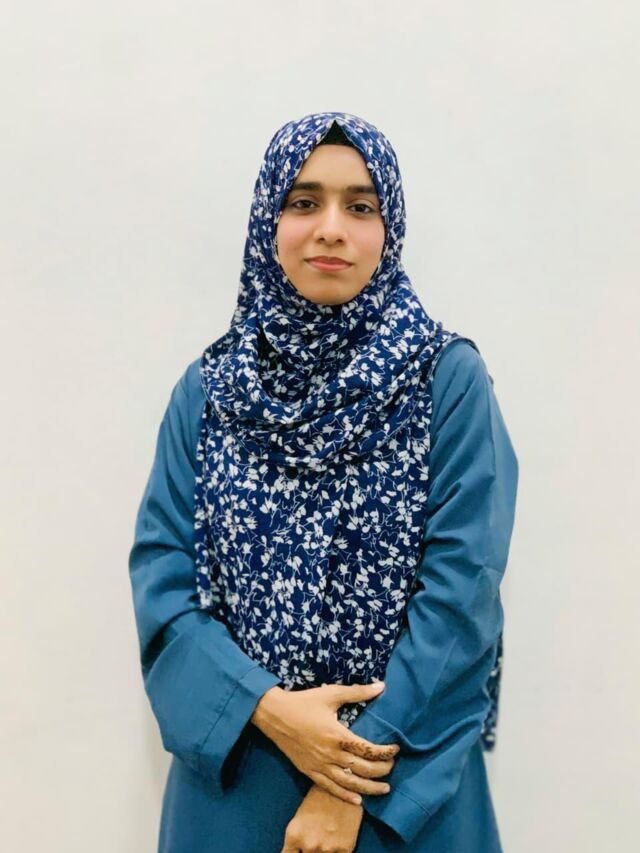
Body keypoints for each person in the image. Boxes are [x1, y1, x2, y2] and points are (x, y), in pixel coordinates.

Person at [128, 111, 519, 852]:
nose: (331, 229)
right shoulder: (210, 392)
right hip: (239, 767)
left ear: (389, 229)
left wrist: (346, 780)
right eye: (303, 202)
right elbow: (164, 587)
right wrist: (269, 709)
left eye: (360, 206)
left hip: (402, 780)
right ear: (267, 222)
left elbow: (463, 594)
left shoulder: (445, 381)